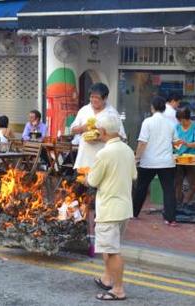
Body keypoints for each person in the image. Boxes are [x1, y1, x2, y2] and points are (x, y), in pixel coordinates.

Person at [87, 114, 137, 301]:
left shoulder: (104, 153)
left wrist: (86, 176)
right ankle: (107, 278)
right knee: (109, 247)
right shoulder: (127, 150)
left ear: (103, 131)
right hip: (124, 207)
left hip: (108, 208)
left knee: (113, 251)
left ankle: (118, 289)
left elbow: (92, 180)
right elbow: (132, 175)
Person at [133, 96, 181, 226]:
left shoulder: (147, 122)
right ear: (164, 108)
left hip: (148, 161)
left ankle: (134, 213)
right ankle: (170, 219)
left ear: (152, 108)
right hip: (166, 162)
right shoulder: (171, 124)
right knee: (169, 190)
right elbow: (177, 143)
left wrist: (136, 158)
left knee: (141, 188)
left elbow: (142, 143)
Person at [71, 82, 126, 169]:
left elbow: (121, 137)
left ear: (105, 98)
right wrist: (82, 128)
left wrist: (103, 136)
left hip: (104, 160)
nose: (94, 100)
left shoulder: (112, 113)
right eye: (92, 97)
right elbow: (73, 130)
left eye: (97, 98)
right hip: (84, 159)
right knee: (83, 181)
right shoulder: (84, 110)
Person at [174, 107, 195, 205]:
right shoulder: (177, 127)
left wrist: (187, 144)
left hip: (193, 159)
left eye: (181, 120)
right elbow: (173, 140)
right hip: (180, 158)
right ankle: (178, 203)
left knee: (193, 184)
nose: (180, 122)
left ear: (186, 119)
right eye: (179, 120)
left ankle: (186, 204)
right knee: (177, 182)